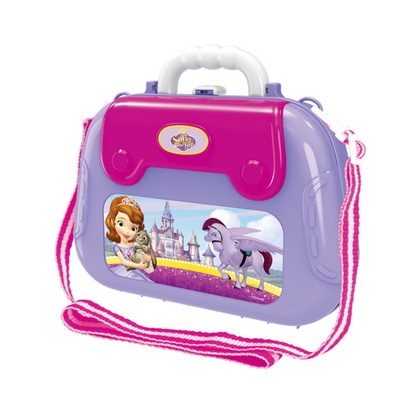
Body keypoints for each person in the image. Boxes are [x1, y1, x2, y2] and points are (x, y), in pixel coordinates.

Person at [105, 196, 155, 282]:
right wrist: (138, 265)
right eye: (121, 224)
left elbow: (141, 254)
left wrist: (147, 257)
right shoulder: (117, 247)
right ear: (113, 222)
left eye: (133, 228)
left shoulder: (134, 245)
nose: (127, 232)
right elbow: (124, 262)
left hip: (136, 272)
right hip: (125, 271)